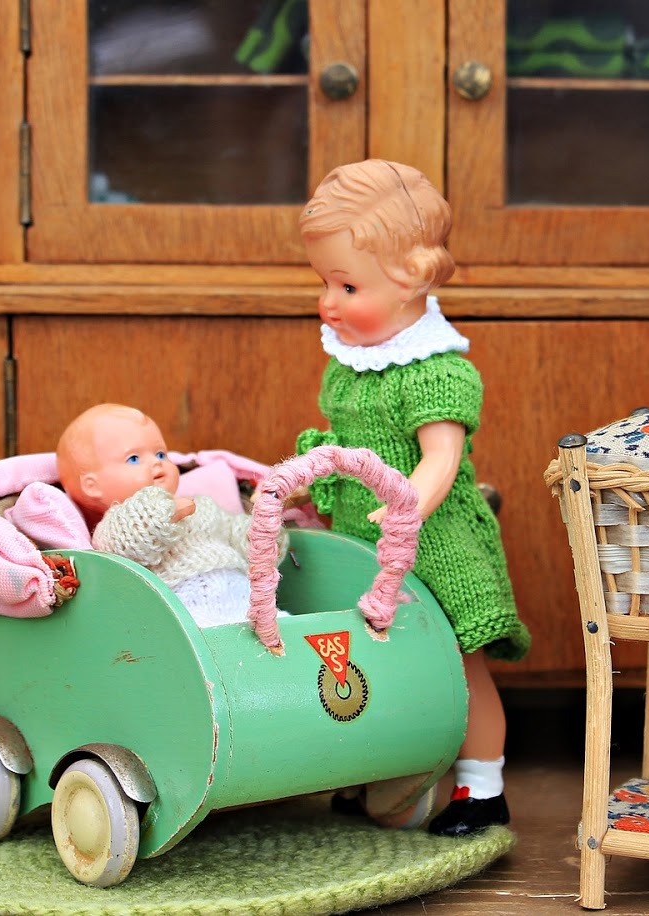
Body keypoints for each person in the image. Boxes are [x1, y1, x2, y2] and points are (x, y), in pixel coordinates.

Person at [296, 159, 530, 837]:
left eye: (347, 285)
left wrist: (408, 503)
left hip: (435, 547)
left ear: (411, 280)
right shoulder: (349, 365)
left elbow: (441, 458)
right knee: (374, 660)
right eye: (324, 283)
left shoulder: (437, 371)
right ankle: (385, 769)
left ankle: (482, 787)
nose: (330, 302)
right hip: (362, 545)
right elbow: (344, 441)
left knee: (460, 665)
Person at [57, 403, 280, 628]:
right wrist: (160, 514)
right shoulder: (114, 523)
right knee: (213, 640)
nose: (157, 462)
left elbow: (234, 533)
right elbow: (128, 541)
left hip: (244, 594)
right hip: (184, 606)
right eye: (134, 459)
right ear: (92, 486)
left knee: (288, 630)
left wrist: (262, 531)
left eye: (161, 454)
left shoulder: (203, 504)